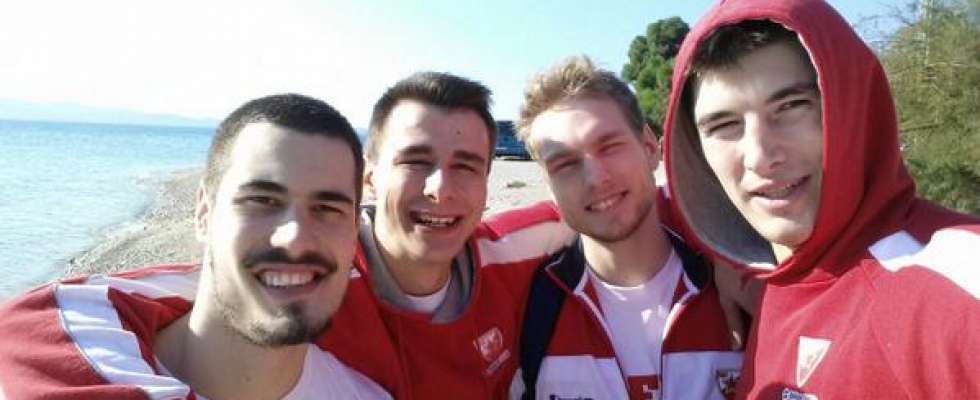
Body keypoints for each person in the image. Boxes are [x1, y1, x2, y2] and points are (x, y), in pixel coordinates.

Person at [662, 0, 980, 398]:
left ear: (852, 106)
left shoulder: (956, 295)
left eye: (791, 106)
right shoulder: (773, 283)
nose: (760, 156)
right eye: (724, 125)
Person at [0, 94, 392, 400]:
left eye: (327, 208)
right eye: (262, 200)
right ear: (204, 212)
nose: (294, 238)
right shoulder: (54, 366)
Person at [316, 71, 575, 399]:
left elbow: (602, 210)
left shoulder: (511, 250)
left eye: (465, 166)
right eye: (415, 161)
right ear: (369, 178)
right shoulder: (318, 287)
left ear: (485, 184)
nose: (440, 189)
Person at [513, 55, 742, 400]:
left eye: (609, 147)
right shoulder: (530, 310)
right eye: (565, 164)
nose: (595, 178)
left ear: (650, 147)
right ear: (549, 186)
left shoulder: (739, 287)